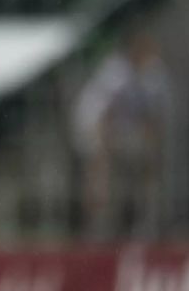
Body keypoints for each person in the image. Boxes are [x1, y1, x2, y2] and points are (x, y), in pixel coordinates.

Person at [72, 29, 170, 239]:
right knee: (100, 172)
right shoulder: (116, 72)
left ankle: (144, 221)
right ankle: (96, 227)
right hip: (92, 123)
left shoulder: (151, 73)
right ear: (136, 52)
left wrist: (152, 147)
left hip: (121, 127)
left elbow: (151, 117)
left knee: (148, 161)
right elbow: (105, 114)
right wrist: (104, 146)